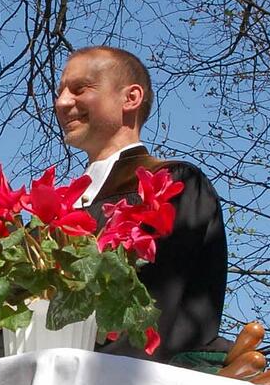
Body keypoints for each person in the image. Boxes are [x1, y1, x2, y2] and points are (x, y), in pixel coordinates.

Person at [54, 45, 230, 363]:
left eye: (80, 89)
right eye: (61, 91)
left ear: (131, 98)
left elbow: (153, 309)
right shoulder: (60, 208)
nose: (63, 102)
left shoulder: (171, 184)